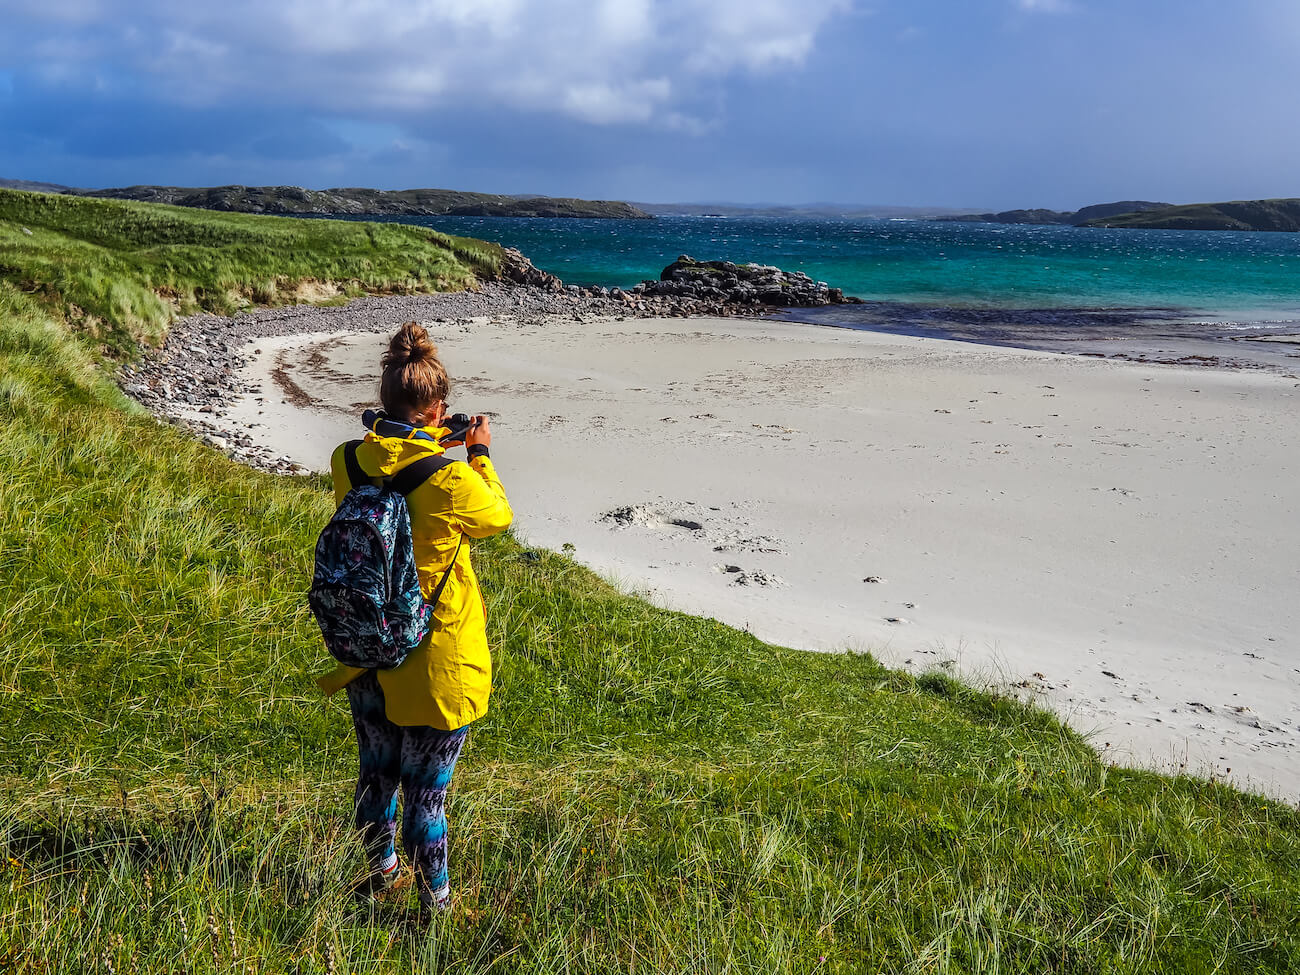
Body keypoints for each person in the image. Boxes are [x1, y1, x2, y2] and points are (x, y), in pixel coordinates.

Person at [316, 321, 512, 917]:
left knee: (377, 773)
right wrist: (476, 450)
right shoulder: (453, 480)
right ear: (438, 409)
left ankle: (380, 874)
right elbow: (497, 516)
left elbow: (392, 472)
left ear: (383, 401)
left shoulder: (347, 460)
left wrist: (426, 443)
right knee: (428, 792)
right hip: (433, 656)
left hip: (369, 646)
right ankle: (437, 908)